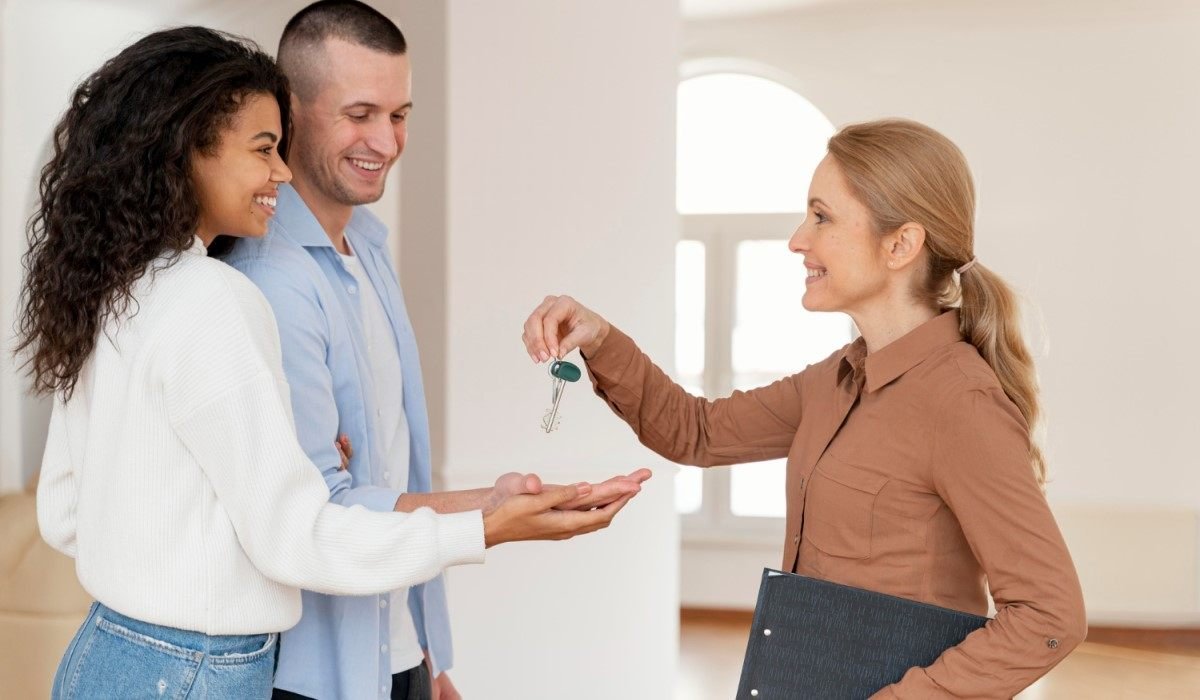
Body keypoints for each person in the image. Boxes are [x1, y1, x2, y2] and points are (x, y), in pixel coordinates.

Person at [20, 26, 637, 699]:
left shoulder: (113, 288)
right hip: (195, 672)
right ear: (186, 153)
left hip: (106, 654)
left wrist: (213, 512)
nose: (279, 171)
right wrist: (486, 526)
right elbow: (295, 538)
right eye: (263, 149)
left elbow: (63, 512)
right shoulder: (218, 297)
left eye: (399, 114)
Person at [522, 119, 1088, 698]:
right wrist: (600, 338)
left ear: (900, 245)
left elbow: (1050, 616)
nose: (798, 239)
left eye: (822, 217)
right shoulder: (838, 378)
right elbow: (695, 431)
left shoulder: (962, 404)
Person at [221, 3, 650, 698]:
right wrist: (493, 514)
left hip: (392, 649)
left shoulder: (367, 246)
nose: (386, 142)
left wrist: (422, 651)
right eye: (359, 114)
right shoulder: (271, 281)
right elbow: (322, 516)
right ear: (290, 111)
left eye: (399, 114)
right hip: (315, 674)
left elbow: (387, 467)